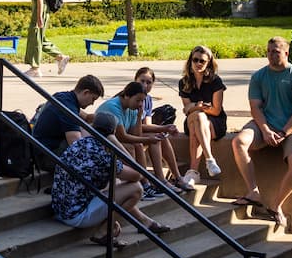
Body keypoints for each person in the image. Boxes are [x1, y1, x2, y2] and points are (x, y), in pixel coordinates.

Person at [49, 110, 170, 248]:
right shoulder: (103, 156)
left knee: (117, 182)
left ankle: (144, 221)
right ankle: (103, 233)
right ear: (112, 133)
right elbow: (138, 174)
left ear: (93, 127)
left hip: (61, 206)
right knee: (135, 189)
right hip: (75, 214)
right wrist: (117, 144)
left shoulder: (80, 142)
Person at [230, 36, 292, 232]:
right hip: (264, 124)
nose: (271, 55)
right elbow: (255, 108)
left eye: (276, 51)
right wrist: (265, 130)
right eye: (269, 51)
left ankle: (276, 206)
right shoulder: (259, 77)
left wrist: (283, 132)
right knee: (239, 142)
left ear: (286, 53)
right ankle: (253, 192)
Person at [96, 80, 183, 198]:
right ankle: (144, 184)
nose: (141, 104)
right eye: (138, 100)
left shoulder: (132, 108)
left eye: (142, 101)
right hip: (104, 144)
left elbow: (136, 134)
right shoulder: (114, 106)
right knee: (136, 145)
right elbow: (123, 136)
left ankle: (160, 181)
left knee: (153, 140)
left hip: (119, 141)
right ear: (127, 96)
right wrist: (148, 140)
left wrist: (138, 116)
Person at [134, 65, 192, 191]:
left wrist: (165, 129)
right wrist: (163, 128)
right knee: (154, 138)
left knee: (162, 137)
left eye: (149, 82)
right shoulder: (132, 96)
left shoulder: (147, 99)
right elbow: (134, 127)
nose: (145, 85)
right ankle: (161, 180)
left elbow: (146, 125)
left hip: (136, 133)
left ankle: (177, 177)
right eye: (142, 81)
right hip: (124, 136)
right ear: (135, 81)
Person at [179, 45, 228, 185]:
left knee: (197, 121)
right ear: (190, 61)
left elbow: (216, 110)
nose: (198, 64)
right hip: (193, 119)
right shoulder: (184, 82)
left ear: (209, 63)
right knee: (197, 117)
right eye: (195, 60)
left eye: (202, 61)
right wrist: (197, 107)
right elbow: (186, 109)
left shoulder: (215, 81)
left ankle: (193, 172)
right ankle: (210, 159)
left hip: (215, 121)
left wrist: (195, 108)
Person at [30, 74, 105, 156]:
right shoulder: (68, 109)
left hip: (40, 147)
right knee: (94, 138)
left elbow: (87, 117)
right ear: (85, 92)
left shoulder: (64, 97)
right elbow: (76, 146)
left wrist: (106, 120)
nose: (92, 103)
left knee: (96, 130)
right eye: (93, 99)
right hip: (48, 154)